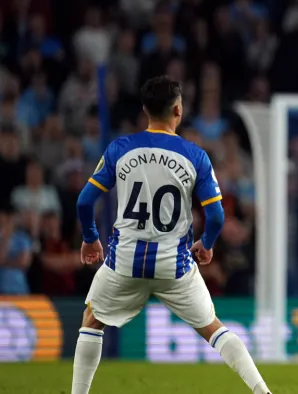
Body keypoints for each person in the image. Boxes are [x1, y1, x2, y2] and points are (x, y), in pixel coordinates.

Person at [72, 76, 271, 394]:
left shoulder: (120, 148)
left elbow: (84, 201)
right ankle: (263, 392)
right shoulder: (195, 156)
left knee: (92, 320)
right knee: (213, 329)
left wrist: (90, 237)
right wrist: (206, 245)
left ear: (144, 110)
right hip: (173, 265)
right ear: (178, 109)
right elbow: (216, 216)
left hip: (125, 261)